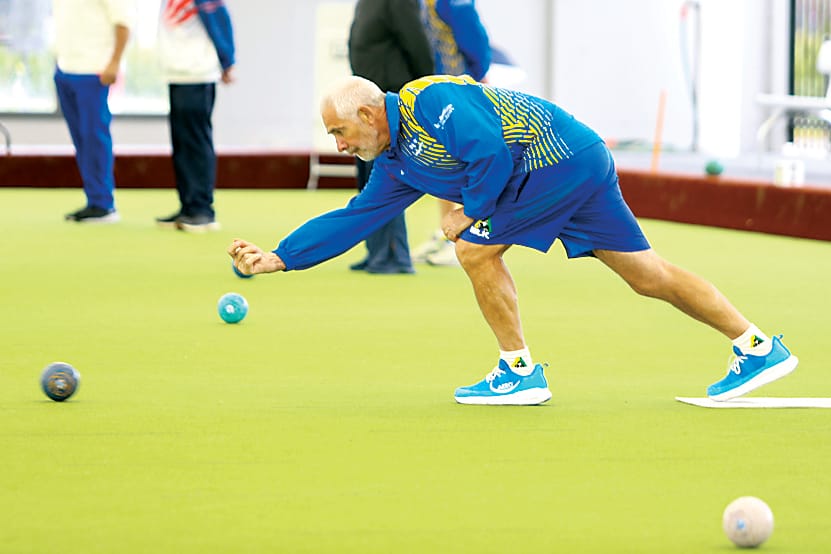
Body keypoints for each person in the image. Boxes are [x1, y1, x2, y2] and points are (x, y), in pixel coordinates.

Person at [228, 75, 799, 406]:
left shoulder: (429, 102)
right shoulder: (396, 164)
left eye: (341, 132)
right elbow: (355, 219)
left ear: (372, 112)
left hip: (558, 160)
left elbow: (491, 154)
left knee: (473, 247)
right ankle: (756, 347)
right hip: (571, 167)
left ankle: (519, 371)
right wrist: (282, 256)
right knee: (646, 275)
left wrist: (465, 215)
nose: (339, 145)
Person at [346, 0, 434, 273]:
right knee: (368, 179)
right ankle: (376, 249)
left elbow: (416, 43)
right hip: (368, 103)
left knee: (386, 178)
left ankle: (393, 255)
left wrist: (426, 88)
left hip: (391, 102)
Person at [412, 0, 492, 266]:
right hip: (434, 86)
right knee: (442, 162)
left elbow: (475, 40)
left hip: (459, 85)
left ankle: (466, 236)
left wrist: (475, 77)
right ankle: (445, 230)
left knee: (460, 163)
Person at [155, 0, 236, 233]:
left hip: (197, 73)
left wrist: (227, 60)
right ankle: (188, 205)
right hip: (177, 73)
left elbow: (220, 20)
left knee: (196, 142)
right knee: (182, 144)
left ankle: (202, 209)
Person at [53, 0, 135, 223]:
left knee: (94, 137)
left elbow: (123, 24)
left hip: (94, 71)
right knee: (81, 140)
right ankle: (94, 200)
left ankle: (104, 204)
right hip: (65, 69)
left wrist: (115, 63)